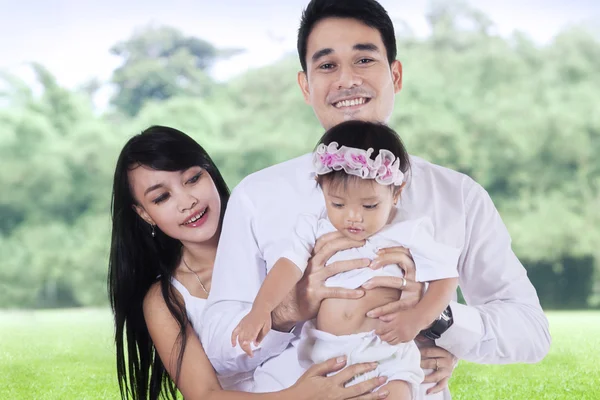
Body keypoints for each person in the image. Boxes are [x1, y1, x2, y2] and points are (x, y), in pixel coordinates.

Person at [201, 0, 551, 398]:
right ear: (306, 85)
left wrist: (434, 318)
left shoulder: (458, 196)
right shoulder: (258, 195)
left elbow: (532, 332)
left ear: (395, 74)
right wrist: (289, 309)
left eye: (364, 60)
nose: (347, 80)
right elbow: (217, 350)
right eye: (327, 65)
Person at [108, 125, 392, 400]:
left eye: (193, 179)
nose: (187, 201)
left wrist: (423, 337)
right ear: (144, 214)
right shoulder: (166, 300)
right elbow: (203, 395)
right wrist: (297, 397)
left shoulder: (284, 237)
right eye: (162, 197)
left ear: (209, 173)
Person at [232, 121, 462, 399]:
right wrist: (261, 309)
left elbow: (446, 276)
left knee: (395, 393)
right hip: (326, 351)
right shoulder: (314, 228)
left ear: (395, 194)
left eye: (369, 206)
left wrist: (417, 318)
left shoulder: (409, 229)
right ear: (322, 191)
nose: (353, 216)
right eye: (338, 204)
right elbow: (287, 266)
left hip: (386, 350)